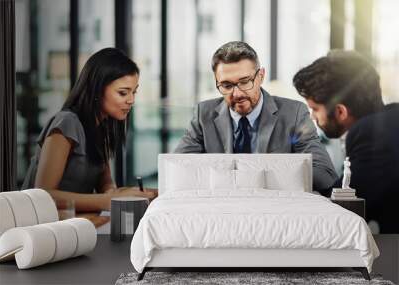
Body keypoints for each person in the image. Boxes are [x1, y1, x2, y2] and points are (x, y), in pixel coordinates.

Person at [174, 41, 338, 191]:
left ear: (261, 76)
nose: (237, 94)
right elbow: (177, 170)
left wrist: (257, 177)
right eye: (226, 85)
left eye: (245, 82)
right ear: (217, 82)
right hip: (221, 211)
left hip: (273, 210)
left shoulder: (293, 114)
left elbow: (325, 175)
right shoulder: (204, 114)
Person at [22, 48, 157, 213]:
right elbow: (43, 195)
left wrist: (130, 194)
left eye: (134, 92)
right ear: (97, 90)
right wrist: (109, 199)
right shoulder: (67, 123)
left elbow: (106, 186)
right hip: (38, 226)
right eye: (123, 93)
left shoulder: (102, 128)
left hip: (73, 224)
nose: (131, 100)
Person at [293, 50, 399, 233]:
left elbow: (342, 207)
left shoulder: (370, 135)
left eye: (315, 109)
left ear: (341, 112)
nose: (312, 117)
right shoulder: (391, 119)